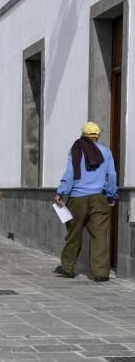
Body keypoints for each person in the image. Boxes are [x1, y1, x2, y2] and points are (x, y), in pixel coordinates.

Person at [54, 121, 118, 282]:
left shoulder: (76, 150)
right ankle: (101, 272)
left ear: (83, 134)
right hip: (99, 198)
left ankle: (68, 268)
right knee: (100, 236)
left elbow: (70, 173)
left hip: (77, 198)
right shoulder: (106, 152)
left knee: (74, 234)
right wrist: (111, 195)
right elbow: (111, 176)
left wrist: (61, 192)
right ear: (97, 135)